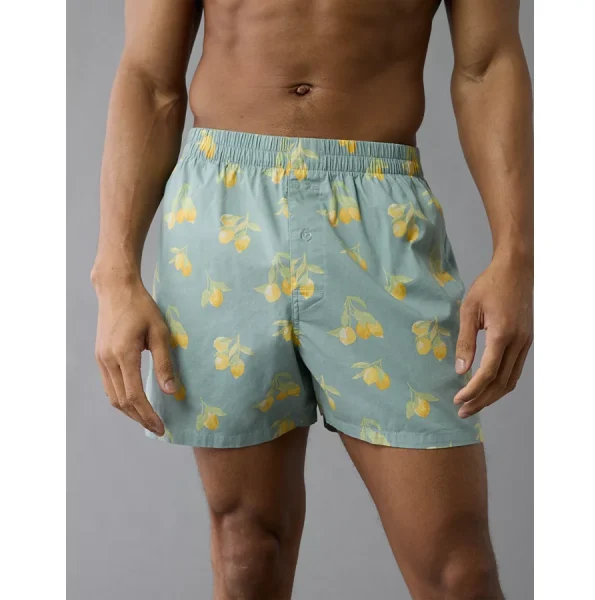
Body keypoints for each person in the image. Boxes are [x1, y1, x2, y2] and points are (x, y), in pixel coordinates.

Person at [91, 1, 533, 598]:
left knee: (458, 571)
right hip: (223, 215)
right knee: (247, 547)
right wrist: (115, 273)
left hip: (381, 216)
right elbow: (149, 78)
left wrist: (516, 257)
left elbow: (487, 65)